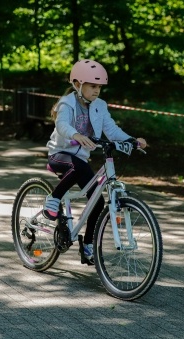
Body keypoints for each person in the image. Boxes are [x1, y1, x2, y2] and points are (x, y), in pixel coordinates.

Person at [43, 59, 146, 264]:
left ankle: (88, 245)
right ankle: (53, 199)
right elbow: (62, 125)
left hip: (80, 159)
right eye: (92, 85)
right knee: (77, 166)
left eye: (99, 86)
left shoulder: (100, 106)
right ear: (77, 84)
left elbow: (111, 129)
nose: (97, 90)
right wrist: (75, 134)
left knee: (97, 201)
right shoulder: (67, 104)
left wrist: (131, 141)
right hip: (60, 154)